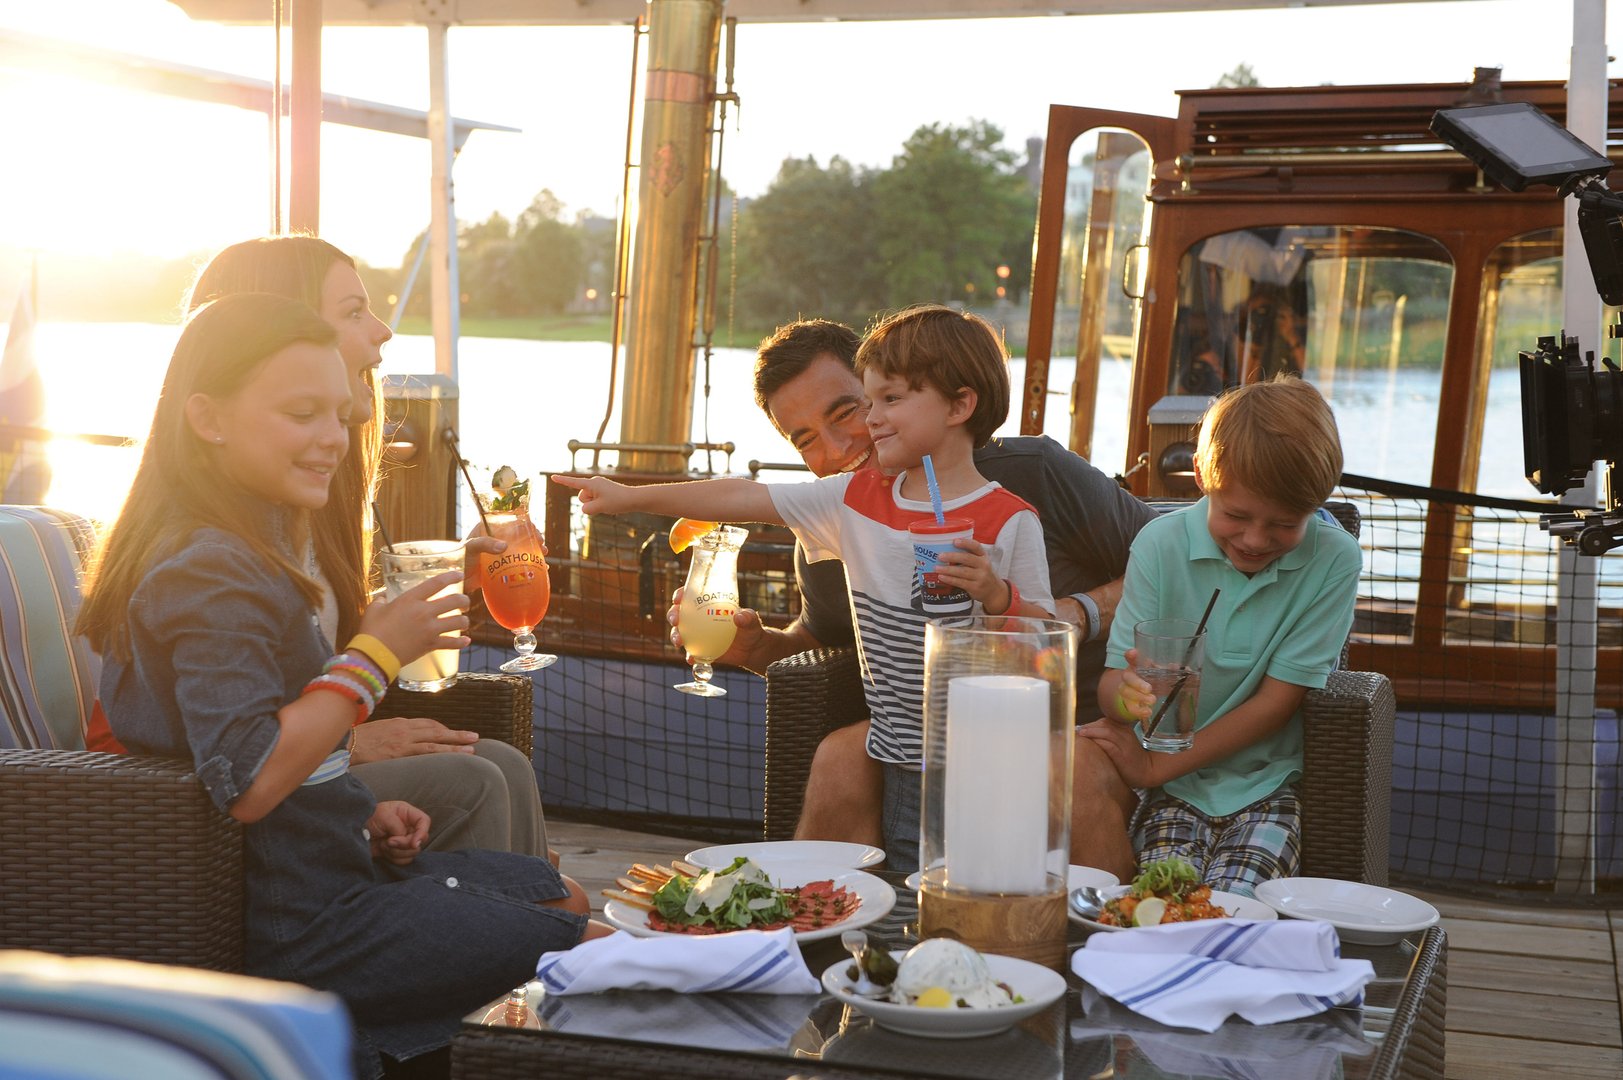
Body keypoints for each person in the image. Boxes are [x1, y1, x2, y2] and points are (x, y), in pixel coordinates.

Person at [76, 293, 605, 1079]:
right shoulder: (208, 568)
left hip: (328, 877)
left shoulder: (249, 549)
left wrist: (357, 811)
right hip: (300, 932)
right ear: (207, 417)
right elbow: (249, 777)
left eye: (339, 414)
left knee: (562, 897)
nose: (333, 436)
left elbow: (260, 737)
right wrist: (373, 656)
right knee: (604, 956)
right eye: (302, 414)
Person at [86, 235, 551, 862]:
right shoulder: (212, 553)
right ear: (278, 328)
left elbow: (289, 646)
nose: (383, 331)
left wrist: (432, 590)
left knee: (504, 774)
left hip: (289, 763)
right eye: (353, 312)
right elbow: (236, 722)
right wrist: (353, 736)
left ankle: (525, 903)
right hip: (185, 806)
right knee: (478, 784)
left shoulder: (293, 504)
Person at [561, 304, 1056, 872]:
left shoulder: (1012, 519)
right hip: (901, 758)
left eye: (887, 401)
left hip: (989, 761)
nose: (872, 420)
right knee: (908, 887)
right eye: (872, 402)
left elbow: (1045, 646)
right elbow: (742, 495)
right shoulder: (849, 500)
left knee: (982, 884)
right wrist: (628, 496)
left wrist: (996, 595)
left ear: (960, 405)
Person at [669, 318, 1158, 859]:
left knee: (1065, 766)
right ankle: (833, 909)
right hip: (934, 737)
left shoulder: (1034, 472)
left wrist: (1079, 612)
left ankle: (1102, 915)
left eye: (848, 411)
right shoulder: (839, 520)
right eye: (805, 439)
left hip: (1082, 718)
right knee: (840, 756)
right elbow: (816, 643)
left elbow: (1176, 555)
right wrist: (756, 648)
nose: (838, 447)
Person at [1084, 375, 1360, 896]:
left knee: (1235, 907)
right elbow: (1114, 684)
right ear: (1201, 476)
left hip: (1268, 786)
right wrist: (1128, 696)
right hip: (1170, 790)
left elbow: (1276, 704)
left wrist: (1154, 767)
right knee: (1166, 903)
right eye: (1236, 515)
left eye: (1284, 524)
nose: (1255, 539)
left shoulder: (1335, 558)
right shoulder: (1159, 544)